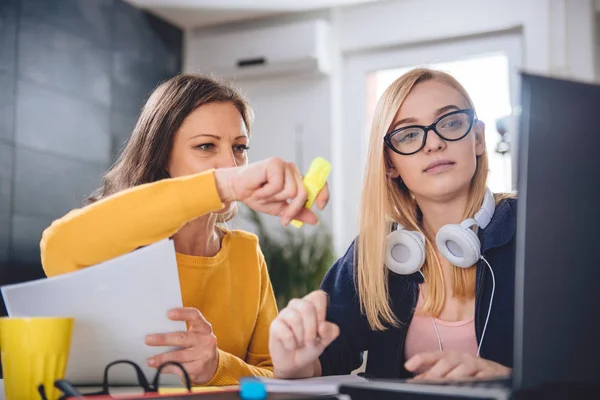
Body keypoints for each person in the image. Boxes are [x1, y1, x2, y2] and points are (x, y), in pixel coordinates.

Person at [40, 74, 329, 386]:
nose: (231, 164)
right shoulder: (118, 245)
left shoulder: (246, 253)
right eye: (206, 146)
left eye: (240, 147)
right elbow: (58, 247)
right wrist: (226, 184)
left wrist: (218, 366)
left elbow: (274, 374)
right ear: (162, 155)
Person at [268, 68, 516, 381]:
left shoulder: (536, 231)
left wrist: (511, 379)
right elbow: (329, 353)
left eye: (451, 122)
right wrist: (294, 364)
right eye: (409, 134)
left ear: (478, 138)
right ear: (389, 164)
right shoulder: (374, 250)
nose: (434, 143)